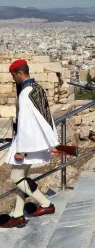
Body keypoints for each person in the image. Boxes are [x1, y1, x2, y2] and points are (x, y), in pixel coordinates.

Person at [0, 60, 58, 228]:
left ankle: (46, 204)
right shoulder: (37, 88)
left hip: (27, 143)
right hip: (35, 141)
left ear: (19, 73)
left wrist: (21, 150)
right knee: (22, 178)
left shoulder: (25, 93)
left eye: (13, 76)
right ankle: (18, 214)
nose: (13, 79)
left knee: (16, 177)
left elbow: (25, 123)